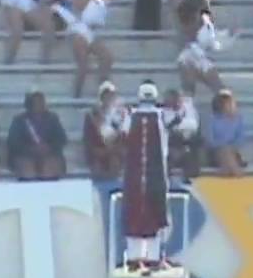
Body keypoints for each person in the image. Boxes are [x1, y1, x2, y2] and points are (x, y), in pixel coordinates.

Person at [118, 80, 175, 268]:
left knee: (134, 210)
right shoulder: (163, 115)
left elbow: (115, 129)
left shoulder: (130, 115)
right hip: (155, 174)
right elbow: (186, 124)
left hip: (134, 174)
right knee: (156, 212)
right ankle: (153, 256)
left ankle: (134, 257)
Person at [7, 90, 68, 180]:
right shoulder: (19, 120)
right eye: (35, 102)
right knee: (28, 171)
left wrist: (49, 147)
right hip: (25, 155)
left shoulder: (53, 118)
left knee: (49, 170)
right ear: (29, 104)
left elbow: (62, 139)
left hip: (49, 154)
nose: (39, 104)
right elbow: (13, 142)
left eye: (41, 101)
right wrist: (31, 149)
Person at [83, 81, 128, 181]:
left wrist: (115, 149)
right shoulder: (92, 116)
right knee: (97, 165)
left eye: (111, 95)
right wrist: (100, 151)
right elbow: (88, 140)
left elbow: (124, 137)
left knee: (115, 162)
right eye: (106, 95)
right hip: (98, 153)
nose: (108, 98)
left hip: (116, 153)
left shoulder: (121, 115)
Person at [162, 88, 202, 179]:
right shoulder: (164, 111)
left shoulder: (188, 107)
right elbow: (166, 128)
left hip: (189, 140)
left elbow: (193, 125)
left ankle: (190, 179)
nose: (169, 103)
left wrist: (178, 126)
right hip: (172, 143)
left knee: (192, 145)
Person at [206, 89, 245, 177]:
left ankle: (227, 171)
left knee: (228, 152)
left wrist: (232, 147)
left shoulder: (238, 119)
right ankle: (237, 172)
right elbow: (210, 140)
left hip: (233, 151)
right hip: (215, 152)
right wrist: (223, 145)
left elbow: (241, 139)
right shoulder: (212, 119)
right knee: (225, 150)